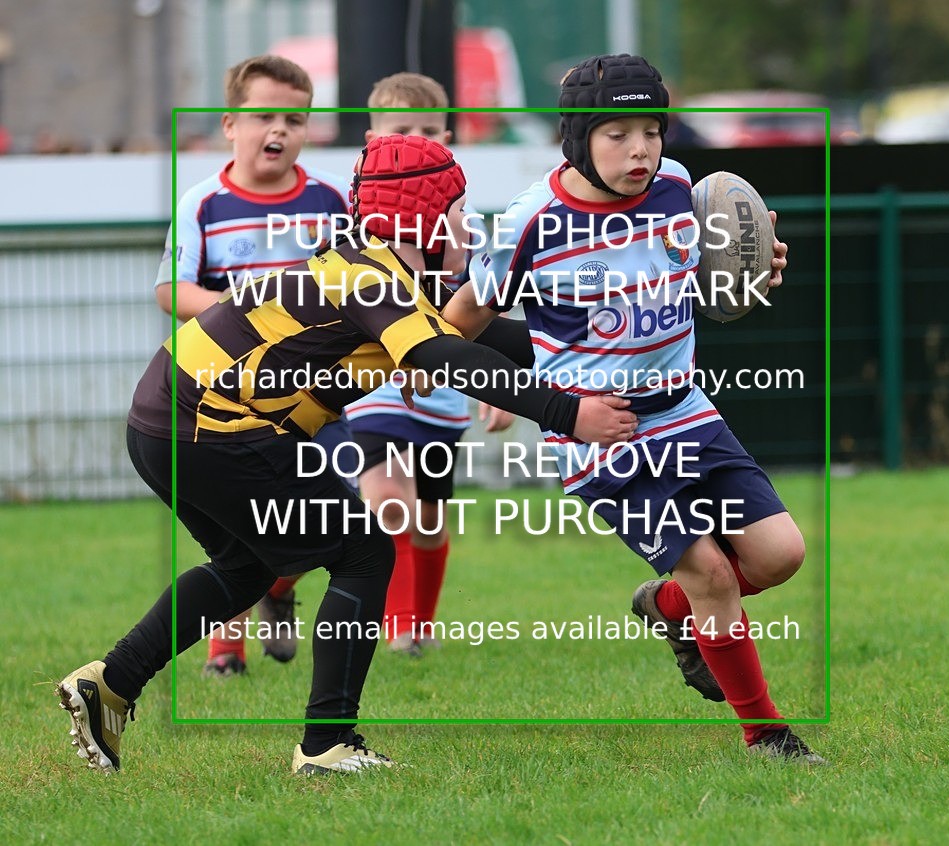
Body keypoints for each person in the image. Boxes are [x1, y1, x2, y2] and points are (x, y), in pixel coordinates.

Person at [55, 133, 637, 776]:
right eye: (460, 211)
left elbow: (495, 336)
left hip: (164, 420)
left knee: (246, 568)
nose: (469, 227)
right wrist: (569, 413)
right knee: (364, 549)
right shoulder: (373, 276)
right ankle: (327, 744)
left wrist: (619, 326)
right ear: (425, 218)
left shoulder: (373, 270)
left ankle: (111, 683)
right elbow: (446, 355)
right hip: (212, 426)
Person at [442, 53, 826, 764]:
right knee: (712, 572)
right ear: (578, 139)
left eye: (651, 129)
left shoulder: (685, 189)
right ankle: (766, 735)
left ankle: (667, 609)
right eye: (617, 133)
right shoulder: (532, 223)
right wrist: (482, 388)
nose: (641, 148)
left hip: (685, 412)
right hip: (602, 440)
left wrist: (757, 266)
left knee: (781, 556)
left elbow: (722, 274)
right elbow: (457, 322)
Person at [153, 54, 356, 676]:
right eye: (263, 115)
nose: (279, 130)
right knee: (236, 520)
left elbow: (360, 285)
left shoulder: (329, 200)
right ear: (228, 125)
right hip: (226, 399)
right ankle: (225, 652)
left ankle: (280, 586)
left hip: (316, 396)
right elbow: (170, 289)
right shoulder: (204, 203)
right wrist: (234, 312)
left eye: (294, 118)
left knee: (322, 509)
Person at [344, 72, 514, 657]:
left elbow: (484, 311)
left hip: (442, 403)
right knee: (390, 501)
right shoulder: (353, 231)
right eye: (400, 131)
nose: (414, 142)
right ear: (371, 140)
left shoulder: (468, 232)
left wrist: (499, 387)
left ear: (447, 139)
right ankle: (391, 628)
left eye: (427, 132)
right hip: (373, 395)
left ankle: (418, 627)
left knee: (429, 519)